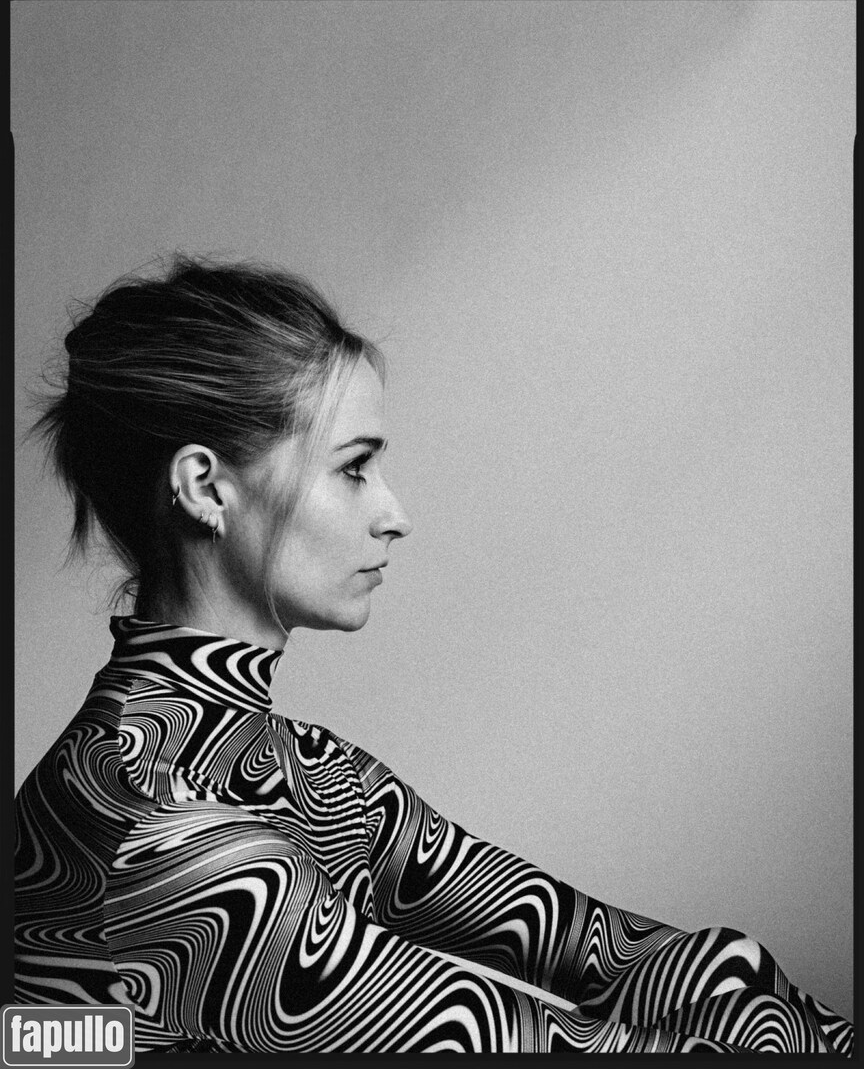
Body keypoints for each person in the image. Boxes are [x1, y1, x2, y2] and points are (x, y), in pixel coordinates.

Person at [15, 255, 854, 1055]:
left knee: (722, 969)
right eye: (354, 469)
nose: (395, 515)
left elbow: (609, 951)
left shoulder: (305, 772)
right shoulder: (160, 831)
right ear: (206, 488)